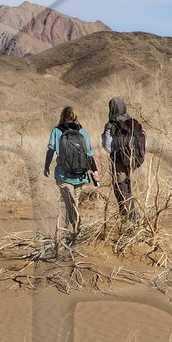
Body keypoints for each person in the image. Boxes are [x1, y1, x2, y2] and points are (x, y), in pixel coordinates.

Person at [43, 106, 99, 247]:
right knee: (73, 204)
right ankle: (71, 232)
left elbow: (51, 149)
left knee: (71, 204)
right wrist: (95, 171)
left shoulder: (57, 131)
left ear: (62, 116)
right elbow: (89, 154)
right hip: (81, 175)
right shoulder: (82, 131)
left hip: (63, 175)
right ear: (75, 116)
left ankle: (75, 233)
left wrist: (46, 166)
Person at [100, 96, 146, 220]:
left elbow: (108, 146)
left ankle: (129, 217)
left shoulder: (111, 124)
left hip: (119, 161)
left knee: (122, 189)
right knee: (131, 189)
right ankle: (135, 216)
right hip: (135, 161)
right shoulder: (133, 122)